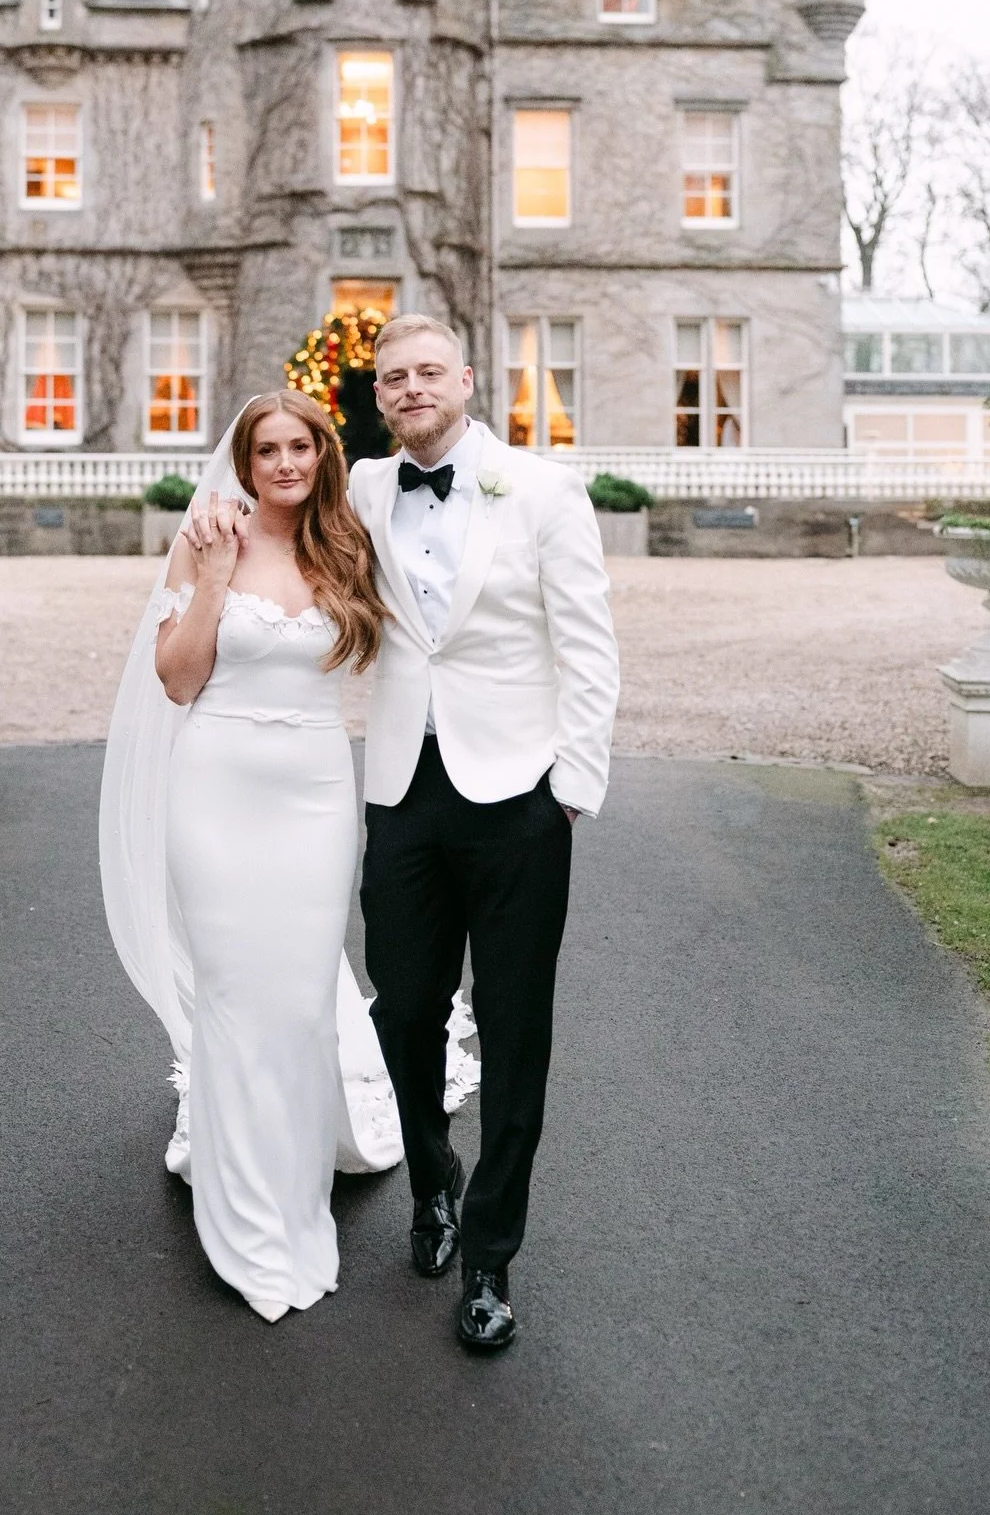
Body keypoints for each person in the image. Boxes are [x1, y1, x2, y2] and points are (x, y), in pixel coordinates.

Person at [99, 390, 477, 1325]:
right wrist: (219, 572)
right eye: (264, 449)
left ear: (321, 454)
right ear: (244, 458)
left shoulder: (352, 542)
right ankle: (247, 1208)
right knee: (232, 987)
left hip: (314, 792)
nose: (281, 464)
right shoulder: (205, 536)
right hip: (216, 784)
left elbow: (434, 635)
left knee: (303, 990)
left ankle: (299, 1183)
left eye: (298, 446)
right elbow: (178, 678)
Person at [348, 314, 620, 1351]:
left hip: (517, 798)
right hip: (401, 791)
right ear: (379, 397)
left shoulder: (543, 491)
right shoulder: (368, 488)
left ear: (466, 379)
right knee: (404, 1010)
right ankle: (433, 1184)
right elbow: (280, 511)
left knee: (514, 1031)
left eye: (429, 371)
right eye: (393, 377)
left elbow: (589, 648)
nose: (412, 387)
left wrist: (569, 790)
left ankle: (491, 1257)